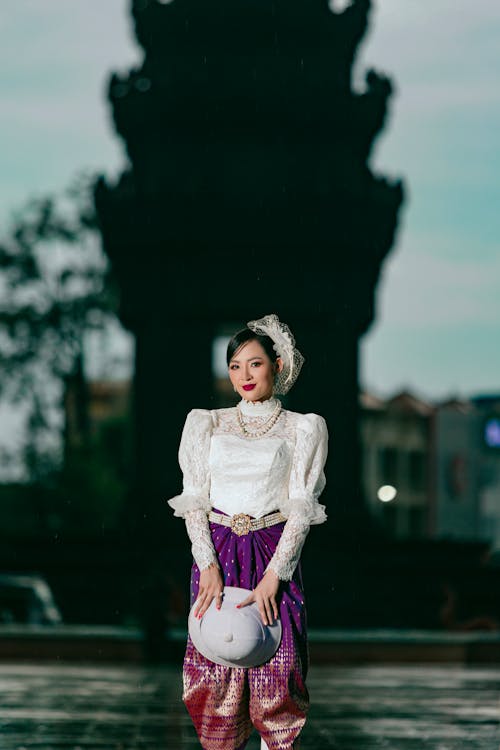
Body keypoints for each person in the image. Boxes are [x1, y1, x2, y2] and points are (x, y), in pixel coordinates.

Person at [167, 313, 328, 750]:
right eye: (235, 366)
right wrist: (207, 565)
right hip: (217, 551)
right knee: (217, 669)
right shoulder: (206, 423)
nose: (244, 375)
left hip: (272, 550)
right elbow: (194, 501)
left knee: (277, 669)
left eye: (254, 364)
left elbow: (301, 508)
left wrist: (277, 574)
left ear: (276, 364)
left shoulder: (302, 428)